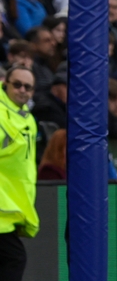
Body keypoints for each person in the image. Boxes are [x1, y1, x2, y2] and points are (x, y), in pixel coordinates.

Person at [0, 65, 39, 281]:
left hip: (10, 206)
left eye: (28, 87)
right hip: (2, 206)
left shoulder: (27, 118)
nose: (22, 90)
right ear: (6, 83)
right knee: (15, 258)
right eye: (17, 84)